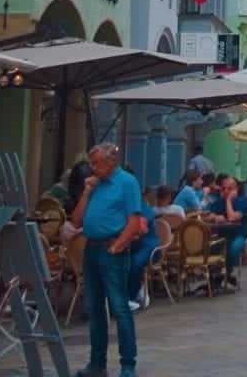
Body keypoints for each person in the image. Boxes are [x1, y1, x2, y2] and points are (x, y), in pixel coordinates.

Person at [71, 143, 142, 377]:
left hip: (112, 250)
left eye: (96, 163)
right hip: (91, 249)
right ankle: (97, 364)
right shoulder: (96, 184)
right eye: (92, 163)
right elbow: (76, 222)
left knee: (120, 307)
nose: (93, 168)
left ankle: (128, 364)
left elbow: (134, 221)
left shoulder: (127, 182)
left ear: (111, 162)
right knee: (94, 308)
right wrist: (86, 192)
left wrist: (117, 246)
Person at [206, 175, 247, 284]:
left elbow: (232, 217)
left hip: (239, 235)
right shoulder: (218, 202)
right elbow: (209, 216)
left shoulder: (241, 202)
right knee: (208, 246)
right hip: (222, 236)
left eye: (229, 189)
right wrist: (215, 217)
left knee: (233, 248)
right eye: (223, 188)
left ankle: (226, 273)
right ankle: (215, 276)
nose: (226, 191)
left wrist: (228, 200)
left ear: (236, 190)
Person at [127, 194, 158, 312]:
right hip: (130, 245)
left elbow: (141, 229)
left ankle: (131, 297)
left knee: (135, 263)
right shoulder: (124, 207)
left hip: (148, 246)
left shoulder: (144, 208)